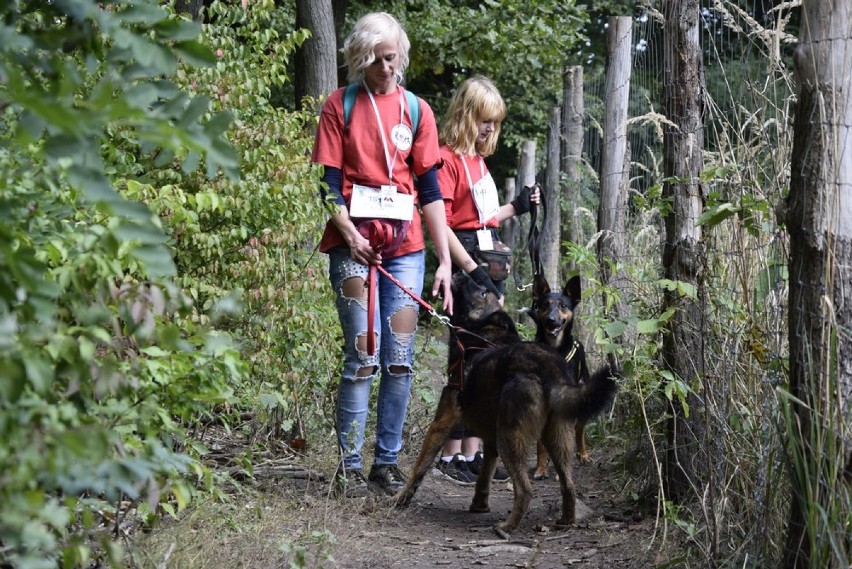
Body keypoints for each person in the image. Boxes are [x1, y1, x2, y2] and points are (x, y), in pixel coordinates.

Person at [311, 12, 453, 498]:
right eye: (375, 60)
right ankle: (349, 467)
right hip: (353, 246)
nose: (385, 67)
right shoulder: (339, 106)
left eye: (391, 58)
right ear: (359, 59)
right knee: (362, 354)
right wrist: (348, 234)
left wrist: (446, 261)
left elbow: (431, 190)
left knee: (399, 358)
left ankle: (385, 463)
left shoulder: (418, 111)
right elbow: (326, 185)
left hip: (405, 251)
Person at [433, 75, 539, 485]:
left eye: (495, 122)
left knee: (487, 358)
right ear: (465, 114)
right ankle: (449, 454)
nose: (490, 129)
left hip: (486, 263)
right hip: (465, 265)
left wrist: (518, 206)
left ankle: (472, 451)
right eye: (483, 120)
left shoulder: (478, 162)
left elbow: (483, 217)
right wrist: (471, 270)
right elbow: (440, 224)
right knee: (465, 355)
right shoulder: (445, 159)